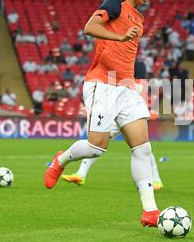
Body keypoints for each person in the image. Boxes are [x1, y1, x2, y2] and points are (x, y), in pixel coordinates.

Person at [44, 0, 161, 227]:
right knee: (96, 149)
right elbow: (89, 27)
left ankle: (150, 211)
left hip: (127, 88)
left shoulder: (139, 18)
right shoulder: (114, 2)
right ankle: (60, 159)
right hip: (103, 84)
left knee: (142, 149)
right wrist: (118, 38)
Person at [61, 60, 164, 190]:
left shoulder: (136, 65)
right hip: (115, 111)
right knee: (98, 145)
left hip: (127, 112)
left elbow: (139, 88)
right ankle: (81, 174)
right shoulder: (116, 63)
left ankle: (156, 180)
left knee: (139, 147)